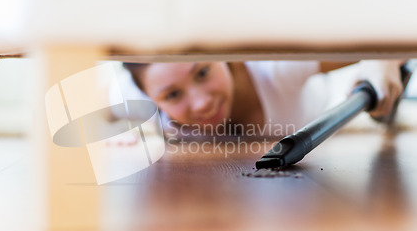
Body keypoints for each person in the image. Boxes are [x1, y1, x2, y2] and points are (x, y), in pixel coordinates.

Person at [113, 60, 405, 140]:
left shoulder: (276, 69)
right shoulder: (139, 102)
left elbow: (393, 39)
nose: (201, 103)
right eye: (173, 95)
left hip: (329, 100)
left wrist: (384, 62)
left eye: (203, 72)